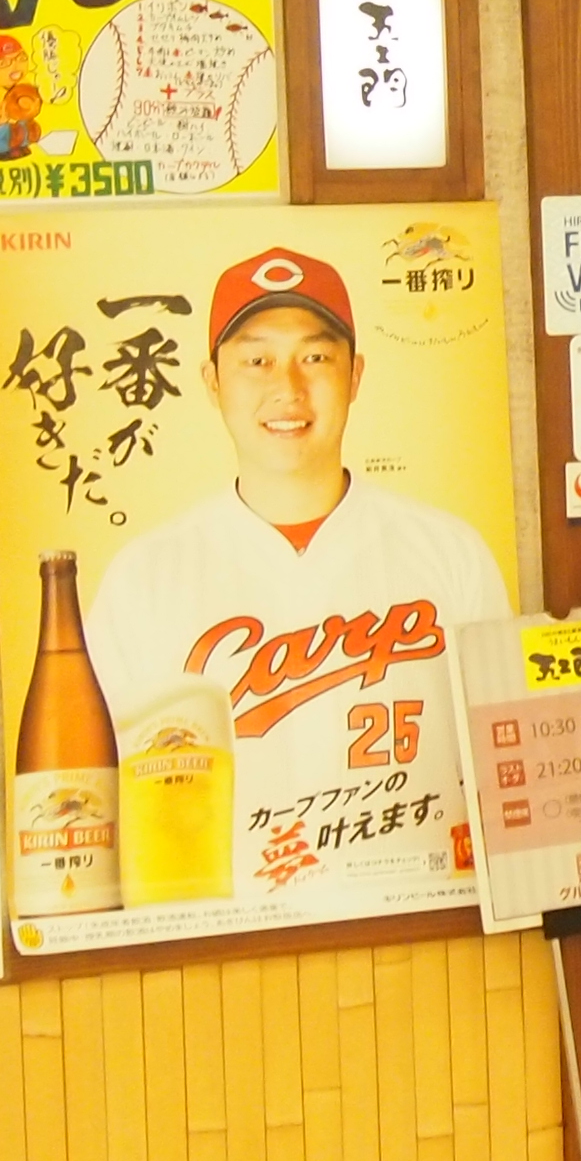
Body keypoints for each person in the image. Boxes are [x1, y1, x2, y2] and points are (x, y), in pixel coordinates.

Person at [84, 247, 514, 895]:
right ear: (212, 381)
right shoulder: (143, 579)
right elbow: (106, 808)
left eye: (315, 357)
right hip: (228, 938)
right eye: (256, 361)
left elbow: (507, 771)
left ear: (355, 375)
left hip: (422, 924)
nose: (287, 387)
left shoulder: (451, 554)